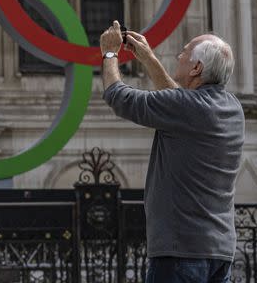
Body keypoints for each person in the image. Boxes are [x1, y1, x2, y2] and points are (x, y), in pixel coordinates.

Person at [99, 21, 244, 283]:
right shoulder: (233, 108)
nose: (179, 58)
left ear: (197, 68)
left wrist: (110, 53)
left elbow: (118, 97)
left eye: (184, 54)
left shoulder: (186, 108)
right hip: (220, 252)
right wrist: (148, 58)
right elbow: (181, 101)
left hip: (180, 251)